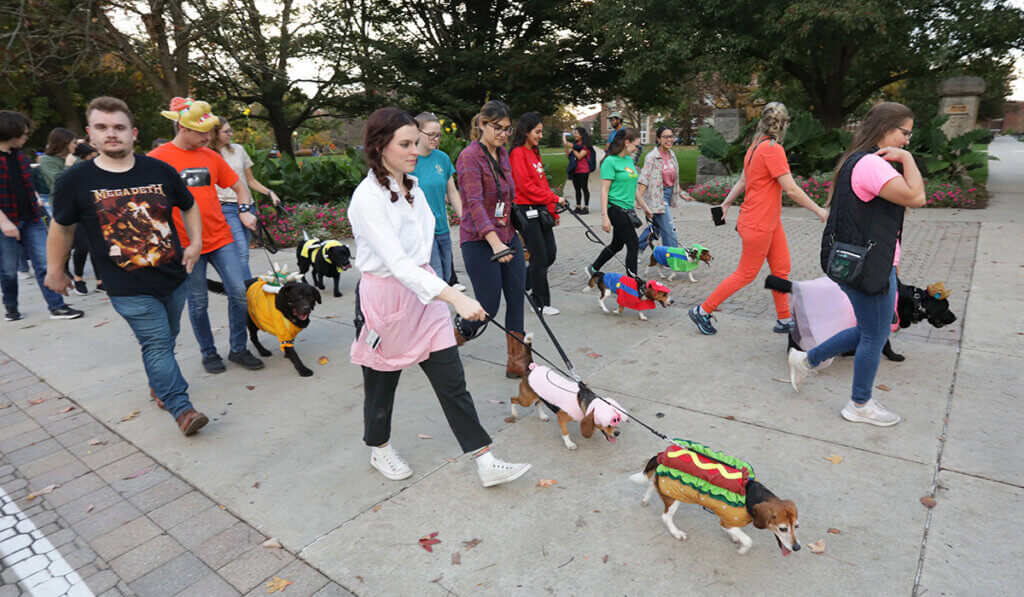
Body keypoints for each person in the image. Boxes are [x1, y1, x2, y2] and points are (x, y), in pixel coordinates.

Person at [348, 106, 532, 487]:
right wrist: (455, 298)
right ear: (380, 146)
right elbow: (398, 264)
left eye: (416, 141)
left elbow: (421, 254)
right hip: (387, 301)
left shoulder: (413, 187)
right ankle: (379, 447)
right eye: (406, 143)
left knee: (452, 380)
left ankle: (485, 459)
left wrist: (442, 290)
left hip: (425, 295)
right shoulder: (367, 198)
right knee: (382, 383)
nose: (416, 149)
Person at [44, 96, 209, 436]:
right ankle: (181, 408)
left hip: (173, 276)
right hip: (126, 284)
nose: (112, 134)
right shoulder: (75, 180)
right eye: (102, 128)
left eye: (119, 127)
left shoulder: (160, 170)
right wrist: (54, 269)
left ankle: (159, 383)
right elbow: (61, 227)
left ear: (133, 133)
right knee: (158, 342)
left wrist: (195, 243)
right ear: (90, 135)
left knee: (168, 337)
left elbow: (189, 205)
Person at [788, 102, 924, 427]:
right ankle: (859, 404)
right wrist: (907, 160)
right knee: (874, 336)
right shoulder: (873, 165)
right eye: (904, 133)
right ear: (885, 128)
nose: (906, 141)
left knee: (869, 330)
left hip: (859, 263)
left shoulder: (853, 160)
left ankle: (806, 359)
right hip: (870, 267)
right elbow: (916, 197)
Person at [688, 102, 828, 336]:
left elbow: (744, 180)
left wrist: (726, 203)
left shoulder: (756, 147)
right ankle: (702, 311)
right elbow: (791, 190)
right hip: (758, 223)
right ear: (784, 124)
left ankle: (784, 319)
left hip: (769, 221)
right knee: (746, 274)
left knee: (781, 269)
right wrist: (819, 210)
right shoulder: (772, 149)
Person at [148, 97, 264, 373]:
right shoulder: (156, 160)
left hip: (221, 237)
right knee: (198, 302)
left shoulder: (211, 156)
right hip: (186, 245)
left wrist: (246, 210)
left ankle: (238, 348)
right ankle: (209, 352)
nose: (208, 137)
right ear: (182, 128)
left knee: (239, 292)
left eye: (210, 131)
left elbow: (240, 187)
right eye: (202, 132)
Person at [453, 100, 529, 378]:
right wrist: (495, 242)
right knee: (489, 306)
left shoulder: (504, 153)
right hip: (478, 239)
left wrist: (513, 234)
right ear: (481, 124)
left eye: (507, 129)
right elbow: (472, 202)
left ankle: (516, 360)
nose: (503, 134)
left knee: (517, 298)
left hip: (507, 234)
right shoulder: (469, 157)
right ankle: (452, 338)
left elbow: (507, 195)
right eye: (497, 127)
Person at [0, 110, 83, 322]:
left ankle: (57, 307)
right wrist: (4, 222)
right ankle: (10, 305)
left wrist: (35, 197)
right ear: (10, 131)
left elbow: (26, 183)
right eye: (24, 132)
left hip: (32, 218)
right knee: (9, 270)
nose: (27, 136)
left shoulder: (19, 155)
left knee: (46, 264)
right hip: (5, 221)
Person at [209, 116, 281, 278]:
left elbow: (250, 181)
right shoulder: (207, 154)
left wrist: (270, 192)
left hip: (248, 206)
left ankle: (239, 289)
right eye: (226, 131)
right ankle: (246, 292)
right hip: (225, 207)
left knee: (244, 253)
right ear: (215, 133)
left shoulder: (238, 150)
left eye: (231, 130)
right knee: (240, 251)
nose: (230, 134)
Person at [510, 112, 565, 315]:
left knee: (550, 254)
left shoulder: (534, 152)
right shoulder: (517, 153)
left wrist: (554, 211)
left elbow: (542, 183)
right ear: (526, 131)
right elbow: (525, 186)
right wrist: (554, 199)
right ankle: (540, 303)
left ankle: (518, 285)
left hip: (541, 209)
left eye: (541, 132)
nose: (540, 136)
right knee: (539, 258)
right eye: (537, 132)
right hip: (526, 210)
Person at [39, 128, 104, 295]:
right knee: (80, 244)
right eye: (73, 142)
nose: (76, 145)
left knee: (91, 242)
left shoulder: (76, 159)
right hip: (63, 206)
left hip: (84, 204)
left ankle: (100, 281)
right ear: (64, 142)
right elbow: (59, 180)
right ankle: (78, 277)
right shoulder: (47, 160)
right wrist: (68, 165)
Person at [586, 127, 651, 279]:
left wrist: (645, 207)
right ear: (626, 142)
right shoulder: (610, 162)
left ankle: (593, 268)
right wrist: (604, 216)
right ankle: (632, 282)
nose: (637, 149)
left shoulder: (629, 160)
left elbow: (632, 188)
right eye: (636, 145)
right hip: (616, 210)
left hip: (628, 210)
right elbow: (604, 190)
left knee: (617, 245)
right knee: (633, 245)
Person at [412, 112, 463, 287]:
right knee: (437, 278)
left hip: (442, 227)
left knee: (447, 276)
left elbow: (453, 193)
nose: (436, 139)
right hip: (423, 231)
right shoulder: (409, 161)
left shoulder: (442, 158)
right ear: (418, 133)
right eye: (431, 134)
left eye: (438, 135)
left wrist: (466, 219)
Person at [636, 126, 693, 252]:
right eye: (665, 137)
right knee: (669, 228)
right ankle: (672, 257)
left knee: (658, 226)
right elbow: (644, 179)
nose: (669, 139)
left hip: (669, 194)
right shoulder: (652, 157)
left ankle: (637, 248)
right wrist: (639, 200)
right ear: (658, 139)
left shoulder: (672, 155)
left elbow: (674, 178)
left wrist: (682, 193)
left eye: (671, 136)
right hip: (657, 197)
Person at [564, 126, 595, 214]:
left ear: (581, 135)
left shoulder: (586, 146)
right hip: (575, 170)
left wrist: (573, 147)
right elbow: (568, 155)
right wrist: (566, 147)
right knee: (577, 189)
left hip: (583, 170)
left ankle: (586, 207)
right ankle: (578, 207)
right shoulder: (576, 144)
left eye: (576, 133)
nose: (574, 135)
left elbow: (579, 156)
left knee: (584, 188)